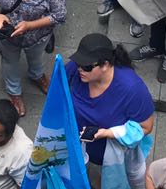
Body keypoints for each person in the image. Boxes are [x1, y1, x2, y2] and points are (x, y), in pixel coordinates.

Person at [67, 33, 156, 174]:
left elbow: (146, 127)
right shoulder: (77, 69)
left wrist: (108, 133)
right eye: (78, 63)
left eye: (86, 67)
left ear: (105, 65)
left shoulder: (133, 89)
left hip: (112, 149)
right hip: (78, 141)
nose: (80, 69)